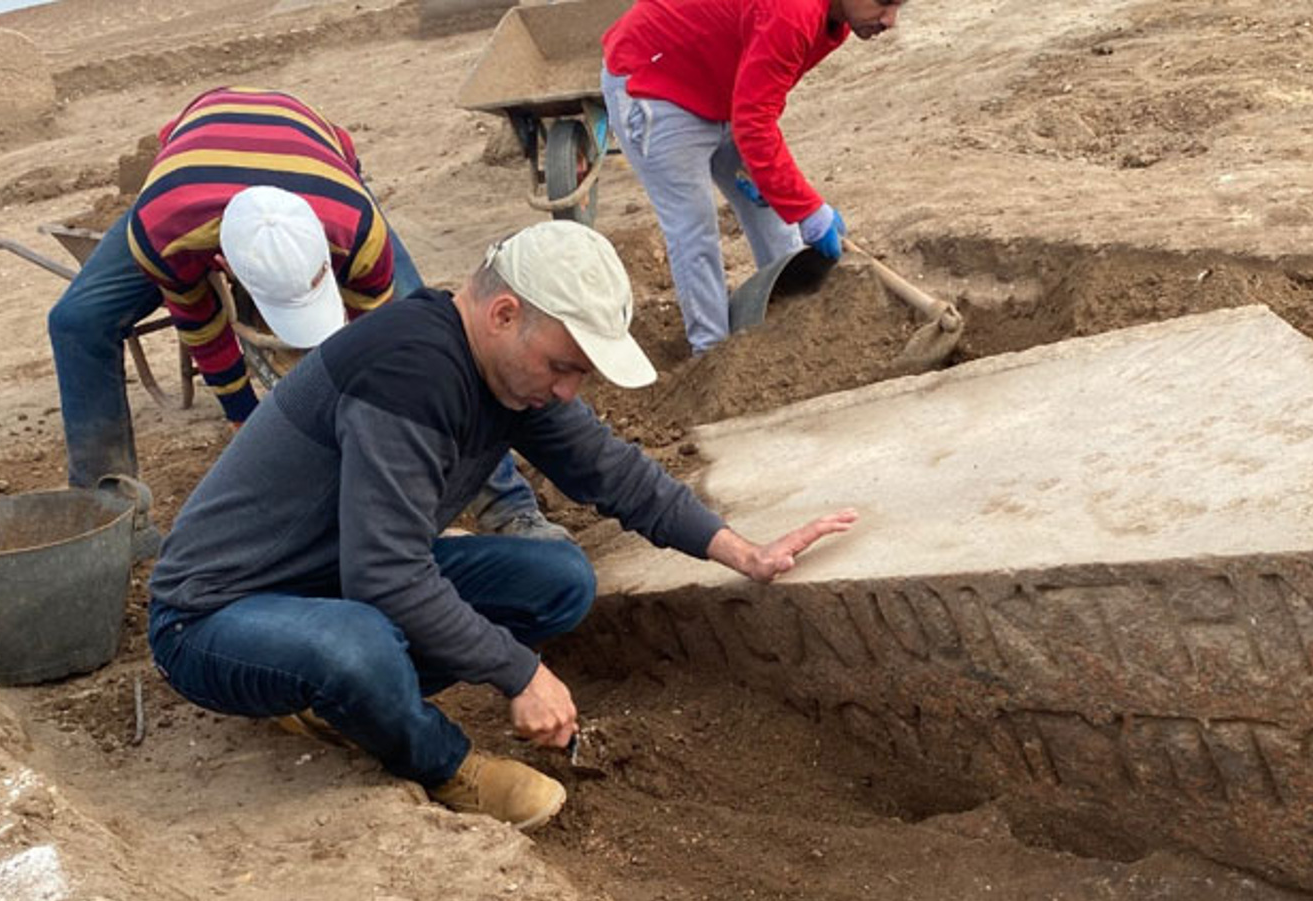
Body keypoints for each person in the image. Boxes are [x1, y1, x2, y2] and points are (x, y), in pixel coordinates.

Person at [146, 220, 856, 830]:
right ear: (504, 314)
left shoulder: (508, 373)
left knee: (558, 579)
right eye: (562, 366)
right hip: (214, 618)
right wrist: (521, 674)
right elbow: (385, 574)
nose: (568, 390)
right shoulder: (408, 375)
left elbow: (609, 469)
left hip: (327, 587)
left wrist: (742, 551)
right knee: (358, 644)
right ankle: (443, 764)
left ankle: (339, 704)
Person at [47, 86, 563, 546]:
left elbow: (390, 349)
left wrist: (374, 439)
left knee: (431, 332)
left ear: (325, 252)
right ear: (222, 263)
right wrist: (244, 418)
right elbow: (201, 325)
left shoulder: (357, 229)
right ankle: (109, 521)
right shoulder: (165, 230)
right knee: (75, 321)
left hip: (317, 152)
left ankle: (509, 508)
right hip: (191, 172)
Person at [599, 0, 904, 355]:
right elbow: (755, 123)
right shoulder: (794, 13)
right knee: (694, 229)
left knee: (774, 214)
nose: (891, 20)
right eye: (883, 2)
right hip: (654, 81)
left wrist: (777, 185)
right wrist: (807, 208)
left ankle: (798, 323)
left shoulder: (838, 19)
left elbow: (760, 102)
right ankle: (712, 355)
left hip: (724, 87)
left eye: (899, 5)